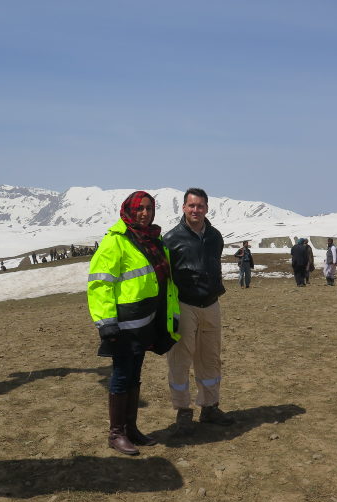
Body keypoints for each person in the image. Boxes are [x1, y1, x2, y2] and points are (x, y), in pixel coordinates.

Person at [88, 191, 181, 455]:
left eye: (149, 208)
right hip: (124, 323)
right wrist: (106, 324)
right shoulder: (116, 241)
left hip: (146, 320)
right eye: (139, 208)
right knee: (121, 375)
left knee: (135, 375)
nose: (145, 213)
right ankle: (115, 433)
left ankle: (131, 428)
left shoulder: (154, 240)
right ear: (128, 210)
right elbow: (99, 284)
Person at [163, 187, 234, 435]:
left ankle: (209, 407)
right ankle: (183, 412)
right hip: (185, 305)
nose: (196, 210)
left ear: (206, 208)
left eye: (200, 205)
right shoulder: (171, 239)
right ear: (183, 208)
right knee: (180, 361)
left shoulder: (215, 236)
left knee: (210, 359)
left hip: (211, 305)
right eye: (191, 205)